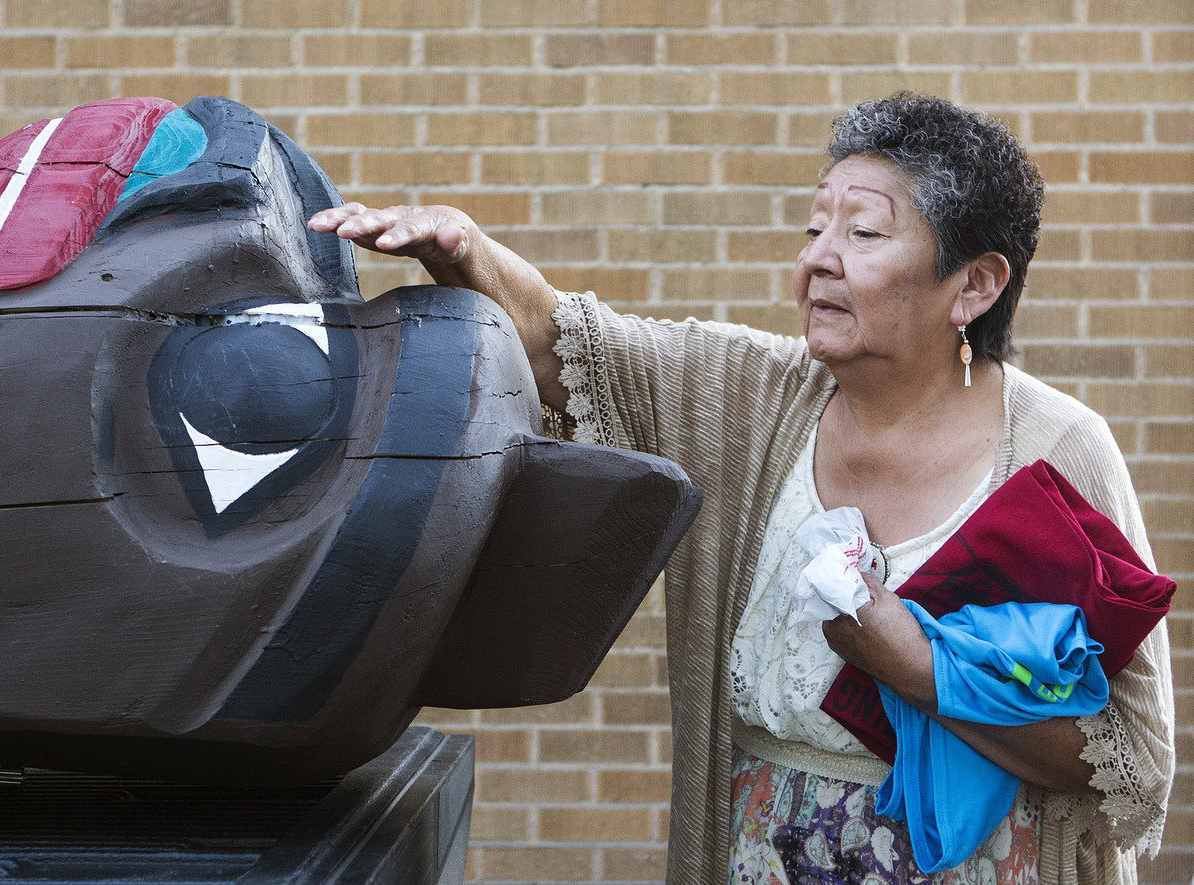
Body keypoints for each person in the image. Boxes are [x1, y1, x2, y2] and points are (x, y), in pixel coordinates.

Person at [310, 93, 1175, 885]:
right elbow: (570, 345)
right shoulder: (746, 397)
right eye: (812, 232)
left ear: (976, 285)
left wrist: (918, 668)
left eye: (864, 236)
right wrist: (461, 247)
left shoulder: (1059, 455)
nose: (819, 263)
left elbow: (1128, 758)